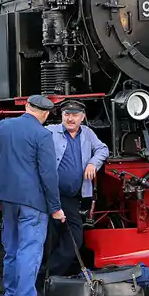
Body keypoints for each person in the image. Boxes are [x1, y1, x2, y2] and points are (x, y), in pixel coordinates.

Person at [0, 95, 65, 296]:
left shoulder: (4, 126)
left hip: (7, 198)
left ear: (27, 107)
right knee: (30, 250)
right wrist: (55, 207)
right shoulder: (42, 134)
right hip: (33, 201)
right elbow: (48, 174)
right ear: (45, 114)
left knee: (12, 248)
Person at [41, 99, 109, 279]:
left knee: (75, 238)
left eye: (75, 115)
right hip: (50, 195)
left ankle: (49, 275)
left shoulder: (87, 133)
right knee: (50, 237)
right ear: (61, 116)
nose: (70, 119)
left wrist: (93, 163)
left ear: (83, 117)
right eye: (67, 114)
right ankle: (44, 277)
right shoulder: (50, 131)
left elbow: (103, 149)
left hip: (71, 197)